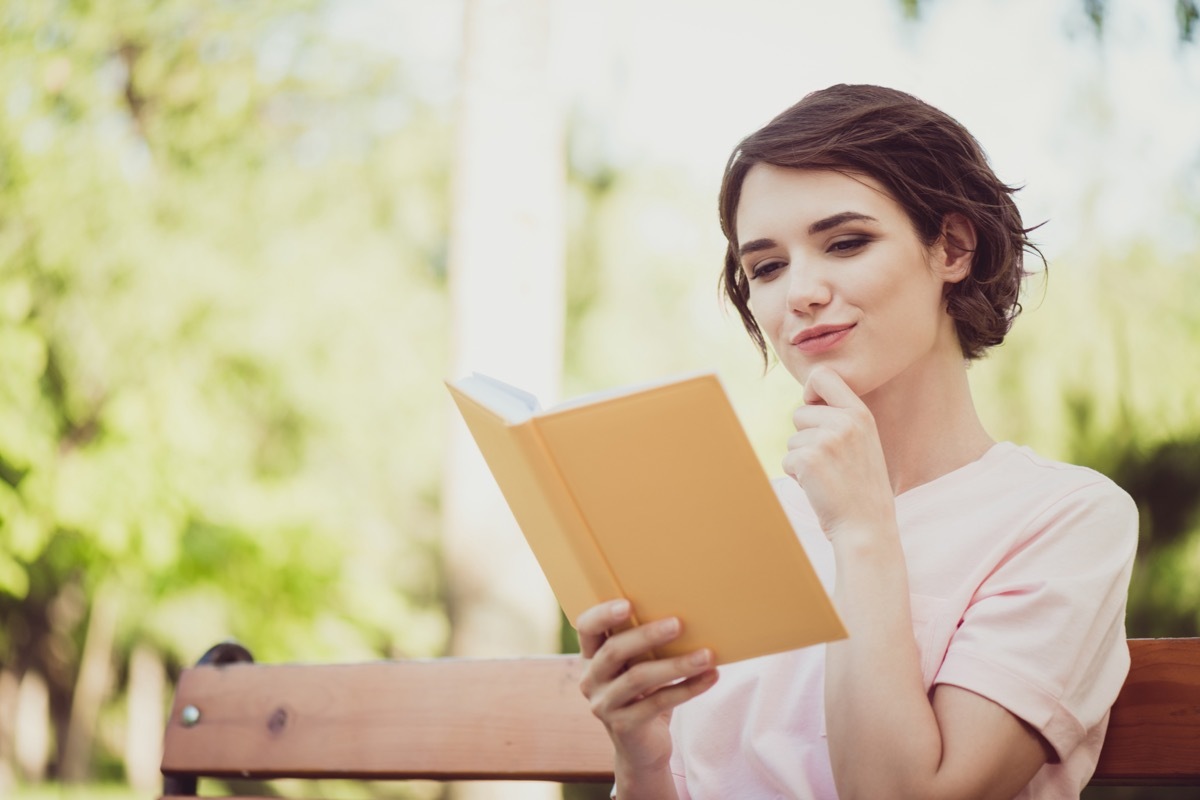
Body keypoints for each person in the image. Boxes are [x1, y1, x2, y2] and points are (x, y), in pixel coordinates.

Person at [575, 84, 1138, 800]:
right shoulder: (739, 526)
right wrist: (645, 761)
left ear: (953, 248)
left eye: (847, 242)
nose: (800, 292)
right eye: (767, 267)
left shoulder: (1067, 519)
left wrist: (863, 529)